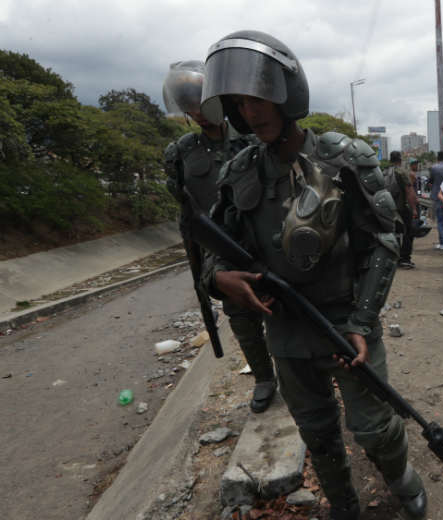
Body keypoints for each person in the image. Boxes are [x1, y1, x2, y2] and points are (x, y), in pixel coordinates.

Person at [199, 31, 426, 519]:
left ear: (287, 93)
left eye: (259, 98)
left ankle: (403, 481)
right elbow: (214, 250)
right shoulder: (239, 172)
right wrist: (220, 279)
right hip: (285, 328)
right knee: (317, 431)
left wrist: (363, 323)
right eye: (240, 102)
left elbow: (385, 240)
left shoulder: (345, 158)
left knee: (374, 427)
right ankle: (344, 505)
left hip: (346, 322)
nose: (251, 112)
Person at [161, 60, 276, 414]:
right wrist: (197, 260)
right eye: (190, 107)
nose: (198, 113)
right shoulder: (180, 152)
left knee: (279, 306)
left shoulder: (251, 139)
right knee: (240, 317)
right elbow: (185, 210)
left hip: (259, 238)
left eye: (201, 103)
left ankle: (294, 370)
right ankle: (263, 378)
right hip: (219, 248)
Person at [384, 151, 418, 269]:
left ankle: (393, 257)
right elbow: (409, 191)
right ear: (400, 159)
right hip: (402, 208)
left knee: (392, 233)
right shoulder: (402, 172)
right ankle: (405, 259)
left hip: (388, 208)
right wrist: (413, 209)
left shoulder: (384, 171)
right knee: (408, 233)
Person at [429, 151, 443, 250]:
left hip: (438, 196)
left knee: (440, 220)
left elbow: (431, 181)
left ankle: (442, 243)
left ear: (437, 158)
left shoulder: (434, 168)